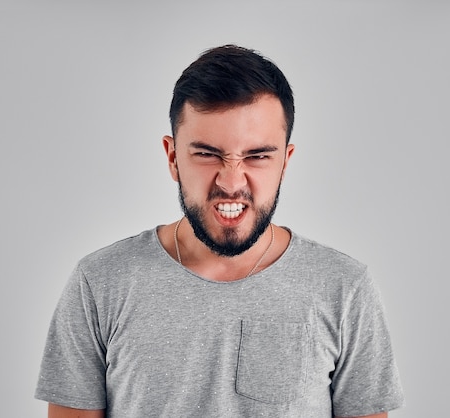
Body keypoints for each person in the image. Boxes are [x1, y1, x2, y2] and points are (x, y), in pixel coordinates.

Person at [35, 44, 404, 418]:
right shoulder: (99, 283)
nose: (231, 182)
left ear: (284, 162)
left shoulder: (343, 288)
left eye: (257, 156)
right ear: (173, 157)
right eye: (208, 154)